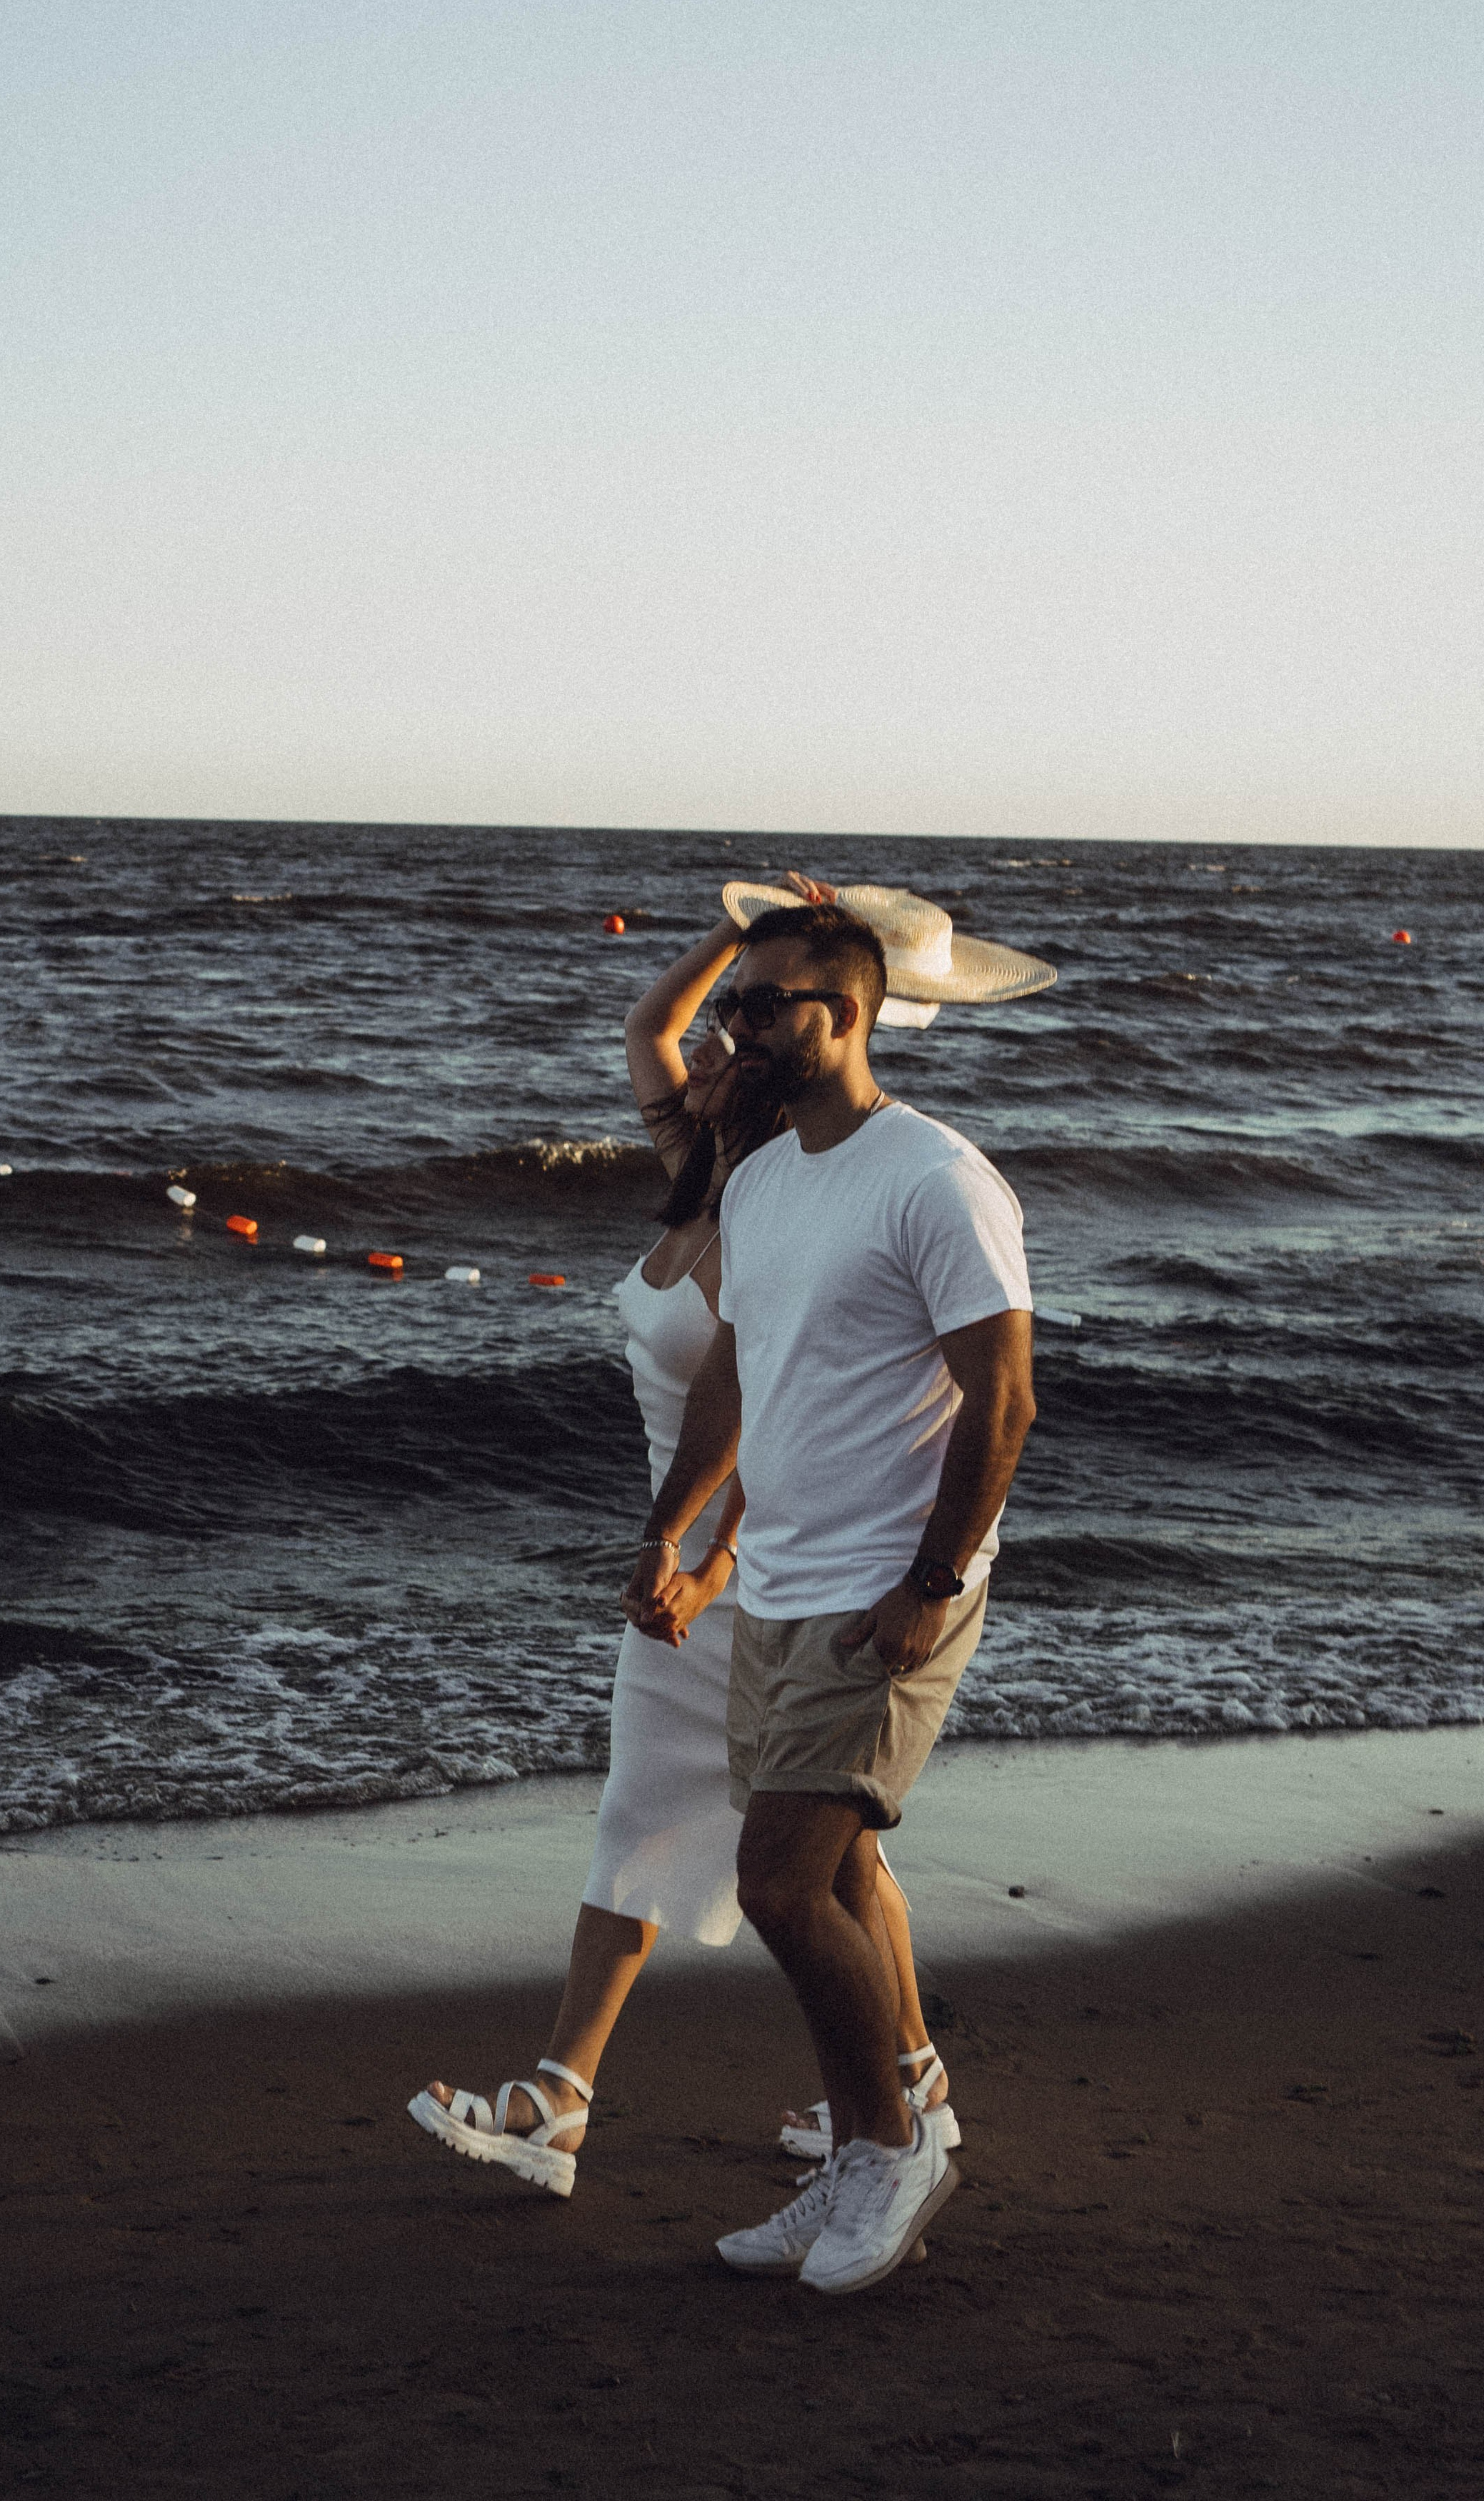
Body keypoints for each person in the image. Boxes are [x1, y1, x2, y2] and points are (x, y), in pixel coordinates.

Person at [407, 891, 958, 2195]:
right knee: (657, 1819)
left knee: (831, 1857)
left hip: (753, 1565)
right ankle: (577, 2098)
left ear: (768, 1085)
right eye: (715, 1038)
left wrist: (710, 1563)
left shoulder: (773, 1217)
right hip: (685, 1562)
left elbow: (777, 1409)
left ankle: (894, 2088)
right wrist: (748, 934)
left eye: (739, 1039)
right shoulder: (699, 1183)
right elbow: (649, 1023)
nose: (706, 1052)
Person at [627, 894, 1044, 2295]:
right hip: (784, 1579)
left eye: (761, 1006)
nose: (733, 1027)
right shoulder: (760, 1181)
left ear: (845, 1016)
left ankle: (890, 2147)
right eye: (731, 1003)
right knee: (841, 1870)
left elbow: (1005, 1397)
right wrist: (675, 1532)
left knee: (777, 1882)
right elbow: (735, 1375)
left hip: (887, 1588)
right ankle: (868, 2140)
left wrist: (931, 1583)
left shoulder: (933, 1180)